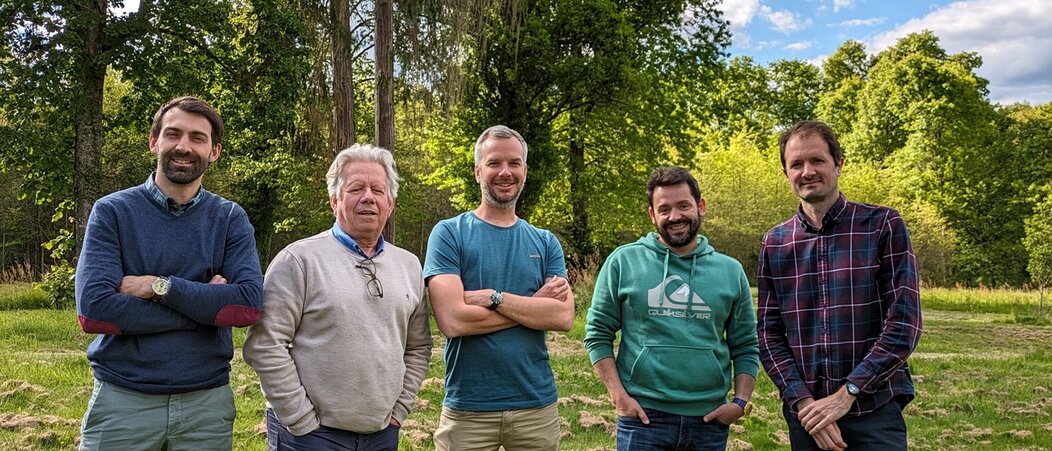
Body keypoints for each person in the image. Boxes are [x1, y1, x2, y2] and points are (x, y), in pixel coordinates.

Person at [75, 96, 264, 450]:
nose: (183, 146)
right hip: (122, 401)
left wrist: (159, 286)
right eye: (173, 134)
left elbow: (248, 306)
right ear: (153, 142)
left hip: (206, 406)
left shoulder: (229, 218)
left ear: (214, 151)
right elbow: (94, 312)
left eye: (197, 138)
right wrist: (203, 308)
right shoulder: (112, 212)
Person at [244, 144, 432, 450]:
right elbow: (265, 344)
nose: (368, 197)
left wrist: (399, 410)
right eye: (356, 188)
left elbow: (419, 345)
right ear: (335, 201)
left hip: (382, 433)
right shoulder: (298, 260)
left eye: (377, 189)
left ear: (390, 204)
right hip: (310, 435)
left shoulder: (409, 265)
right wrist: (300, 419)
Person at [757, 120, 922, 451]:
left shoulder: (882, 225)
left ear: (839, 163)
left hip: (873, 410)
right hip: (808, 419)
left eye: (817, 160)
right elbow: (768, 334)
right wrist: (803, 403)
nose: (808, 172)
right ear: (786, 172)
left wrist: (848, 393)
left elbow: (904, 323)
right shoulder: (775, 242)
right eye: (797, 164)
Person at [584, 167, 760, 451]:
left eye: (683, 206)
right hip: (643, 418)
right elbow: (597, 333)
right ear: (652, 214)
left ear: (700, 207)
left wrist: (740, 403)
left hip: (709, 421)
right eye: (664, 209)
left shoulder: (730, 271)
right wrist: (618, 396)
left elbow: (746, 344)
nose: (675, 217)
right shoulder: (624, 262)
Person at [423, 125, 574, 451]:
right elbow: (453, 321)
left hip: (536, 405)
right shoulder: (449, 234)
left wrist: (495, 298)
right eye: (494, 163)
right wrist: (534, 307)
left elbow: (562, 316)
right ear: (478, 171)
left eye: (514, 163)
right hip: (468, 407)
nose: (505, 172)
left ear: (525, 171)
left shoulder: (546, 242)